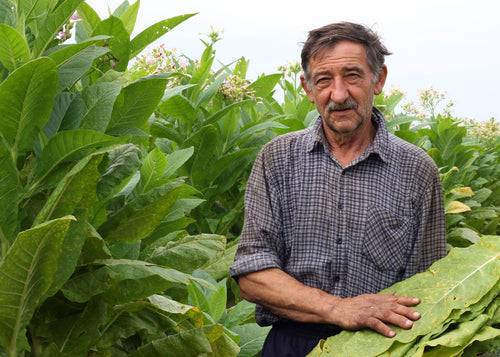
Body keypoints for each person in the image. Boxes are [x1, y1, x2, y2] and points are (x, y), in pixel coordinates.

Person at [229, 22, 447, 357]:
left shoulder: (417, 170)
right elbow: (252, 276)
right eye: (324, 80)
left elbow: (431, 289)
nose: (339, 94)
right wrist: (338, 308)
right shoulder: (277, 159)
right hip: (290, 344)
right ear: (307, 87)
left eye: (353, 75)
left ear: (379, 79)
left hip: (379, 347)